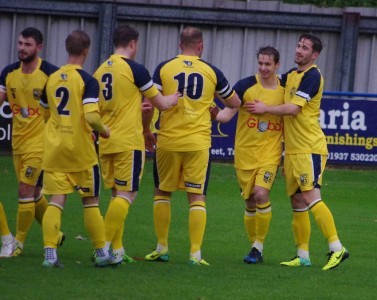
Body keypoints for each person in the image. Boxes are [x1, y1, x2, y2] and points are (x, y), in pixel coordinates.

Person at [249, 33, 349, 270]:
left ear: (314, 55)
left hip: (309, 148)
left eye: (305, 48)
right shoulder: (291, 75)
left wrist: (265, 108)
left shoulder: (313, 76)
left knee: (311, 197)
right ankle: (302, 255)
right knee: (297, 202)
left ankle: (337, 248)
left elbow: (294, 109)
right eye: (298, 45)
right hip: (293, 151)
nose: (299, 50)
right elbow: (269, 81)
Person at [144, 26, 241, 266]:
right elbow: (236, 102)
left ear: (179, 45)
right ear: (201, 46)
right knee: (196, 196)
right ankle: (195, 255)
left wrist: (146, 130)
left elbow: (149, 103)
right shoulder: (211, 71)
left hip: (168, 140)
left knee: (162, 192)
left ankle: (161, 248)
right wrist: (219, 115)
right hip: (198, 142)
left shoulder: (164, 68)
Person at [93, 24, 179, 262]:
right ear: (133, 43)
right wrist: (171, 99)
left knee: (115, 195)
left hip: (106, 140)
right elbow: (159, 103)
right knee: (126, 196)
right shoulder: (135, 69)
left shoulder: (100, 70)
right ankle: (103, 247)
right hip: (128, 141)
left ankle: (117, 251)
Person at [40, 30, 121, 268]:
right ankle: (100, 253)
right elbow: (92, 118)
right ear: (86, 51)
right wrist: (105, 131)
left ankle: (49, 254)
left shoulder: (51, 78)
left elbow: (46, 113)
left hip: (55, 149)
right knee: (91, 201)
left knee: (56, 201)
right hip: (81, 151)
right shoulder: (87, 80)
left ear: (67, 49)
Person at [215, 46, 284, 264]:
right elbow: (226, 116)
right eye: (261, 63)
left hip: (270, 154)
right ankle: (255, 247)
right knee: (250, 202)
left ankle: (258, 246)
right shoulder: (245, 86)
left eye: (268, 64)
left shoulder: (285, 89)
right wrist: (212, 112)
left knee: (261, 194)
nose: (263, 68)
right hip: (245, 154)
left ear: (277, 65)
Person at [0, 27, 64, 256]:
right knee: (35, 194)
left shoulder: (50, 73)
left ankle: (17, 243)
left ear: (39, 47)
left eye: (27, 44)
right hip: (18, 143)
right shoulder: (8, 73)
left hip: (41, 144)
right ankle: (55, 233)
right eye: (20, 43)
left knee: (24, 191)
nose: (21, 48)